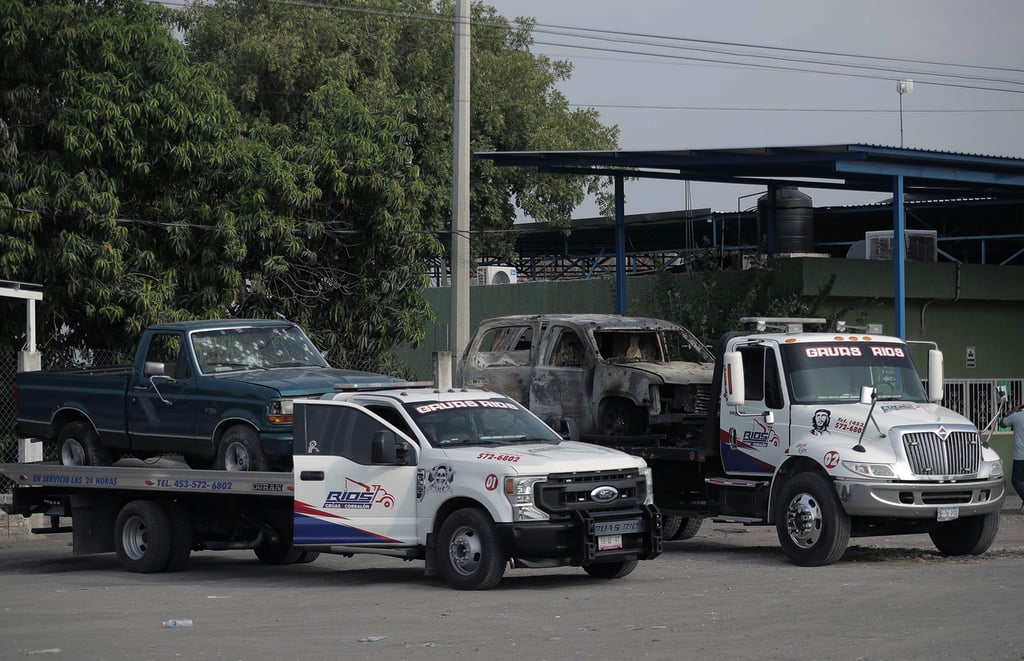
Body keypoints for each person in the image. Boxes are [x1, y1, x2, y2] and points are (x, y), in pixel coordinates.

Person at [998, 403, 1024, 512]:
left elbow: (1002, 423)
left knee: (1016, 480)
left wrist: (1013, 410)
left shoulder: (1017, 416)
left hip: (1020, 456)